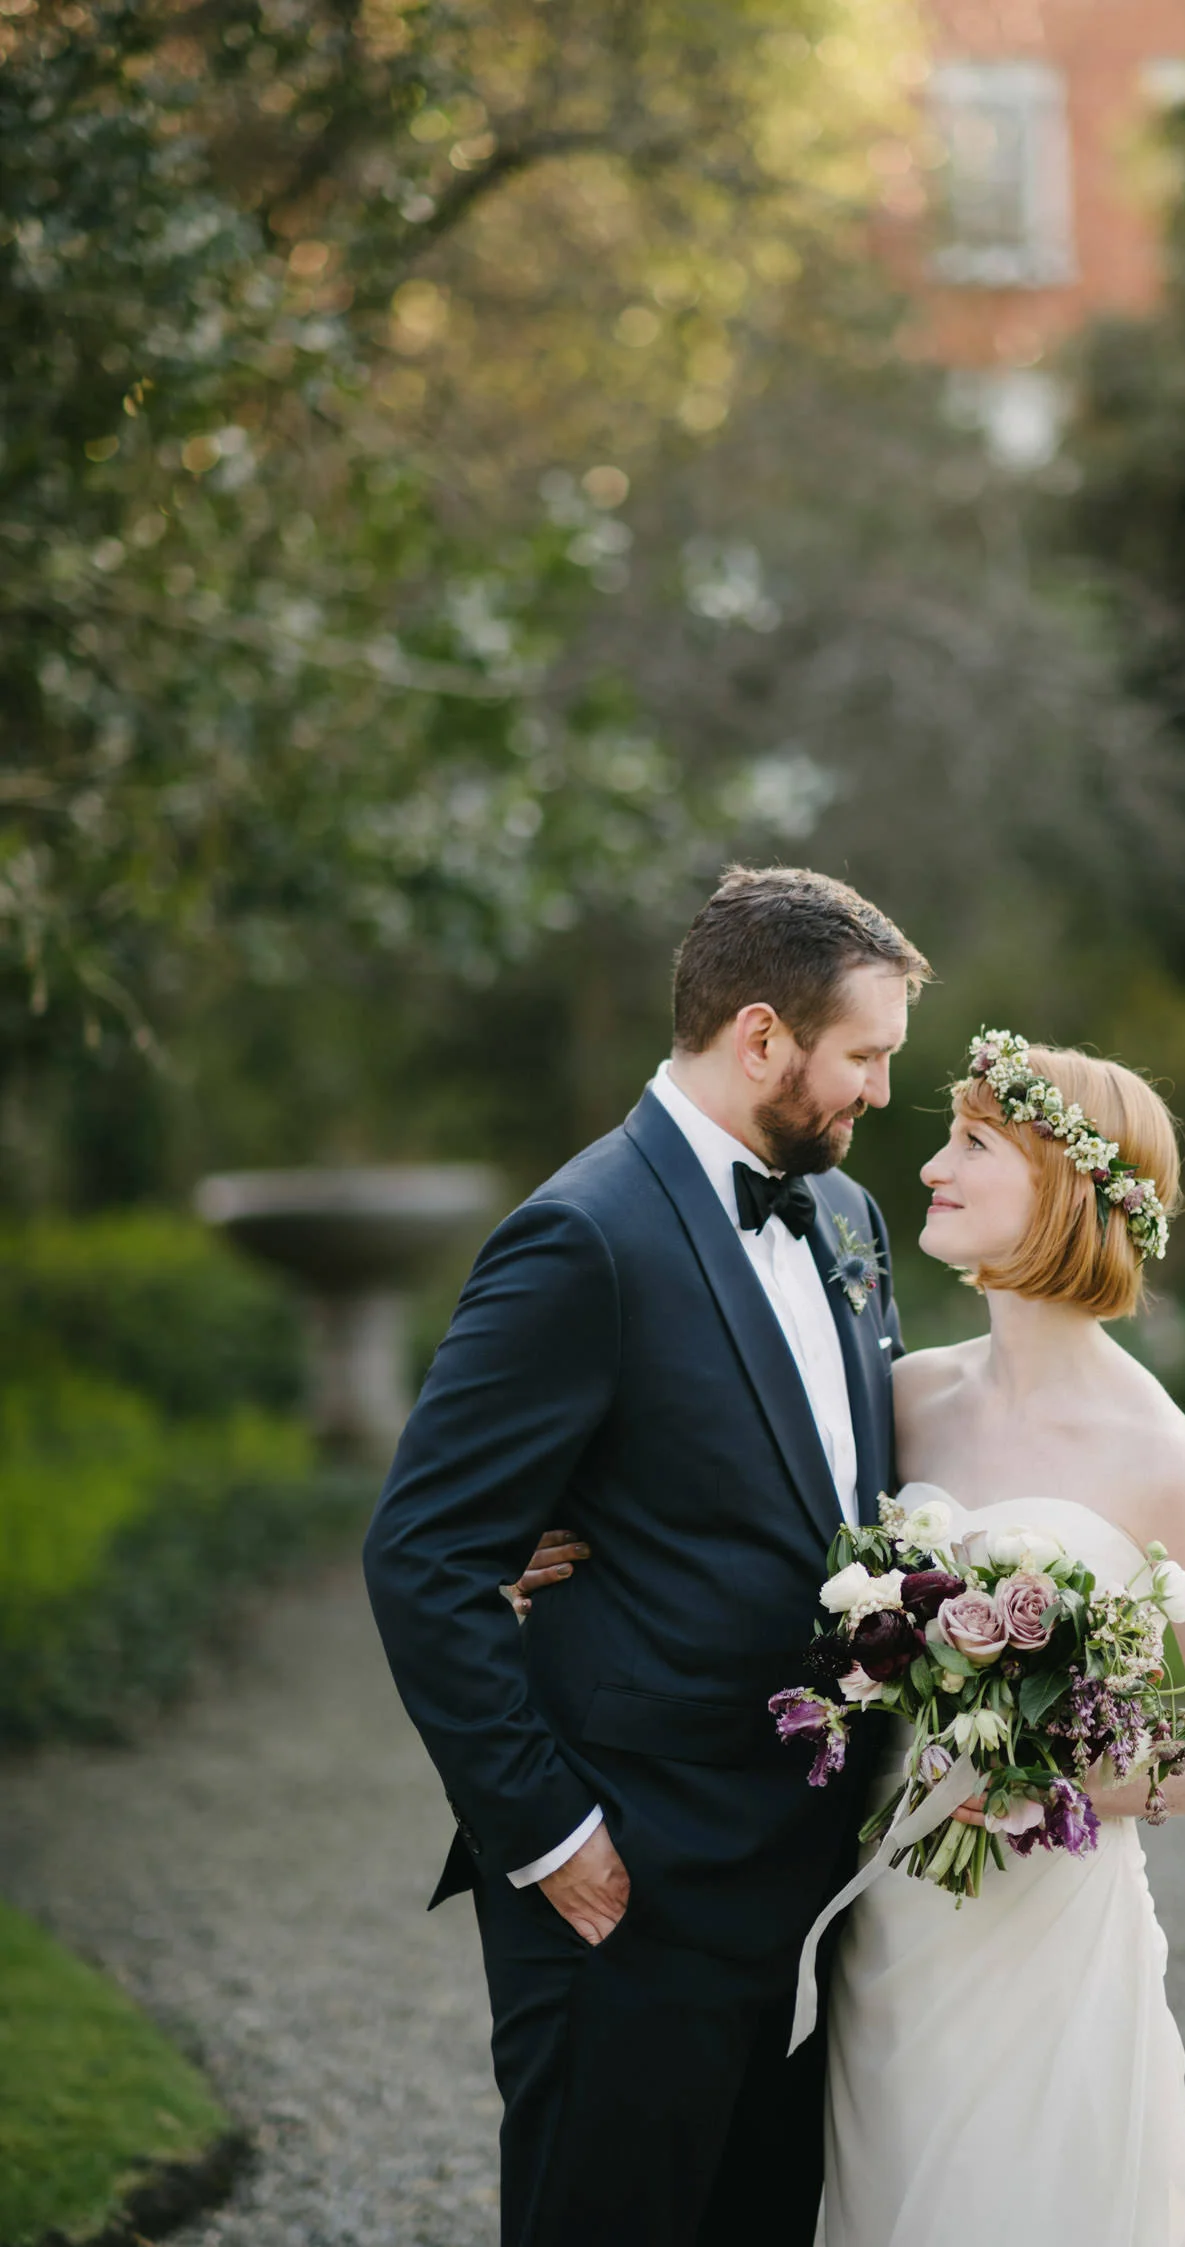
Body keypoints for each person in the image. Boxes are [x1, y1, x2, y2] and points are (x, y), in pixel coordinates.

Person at [524, 1035, 1185, 2246]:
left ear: (1062, 1185)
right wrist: (551, 1537)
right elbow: (731, 1505)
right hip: (874, 1924)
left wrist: (1051, 1771)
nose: (929, 1166)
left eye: (973, 1144)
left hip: (1039, 1932)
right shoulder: (907, 1396)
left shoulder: (1158, 1454)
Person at [362, 864, 931, 2247]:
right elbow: (424, 1548)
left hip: (814, 1878)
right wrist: (549, 1832)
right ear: (759, 1036)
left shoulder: (845, 1218)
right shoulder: (582, 1235)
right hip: (633, 1890)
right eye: (864, 1055)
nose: (880, 1091)